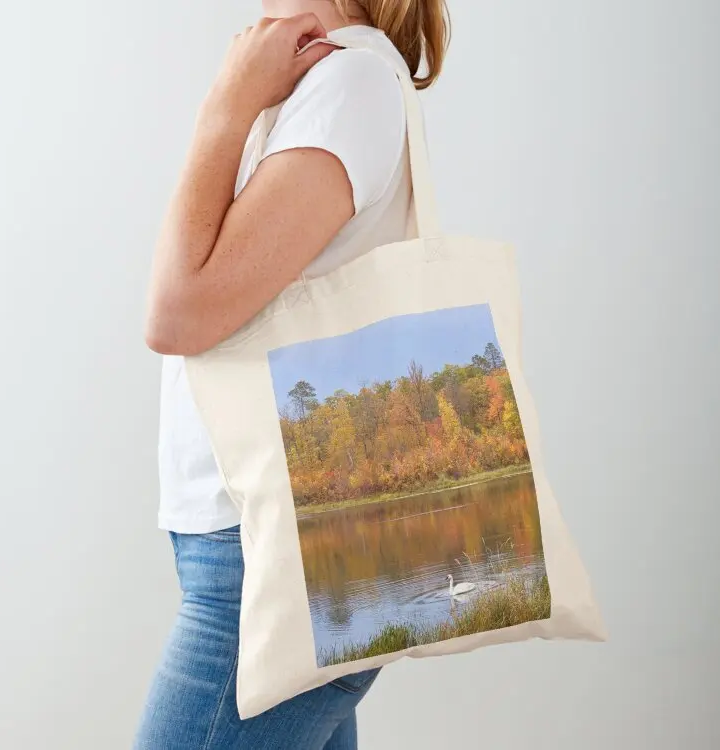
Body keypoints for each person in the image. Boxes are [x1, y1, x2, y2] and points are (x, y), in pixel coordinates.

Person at [134, 1, 449, 748]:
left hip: (274, 569)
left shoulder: (351, 84)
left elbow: (177, 314)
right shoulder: (317, 81)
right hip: (257, 553)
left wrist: (227, 105)